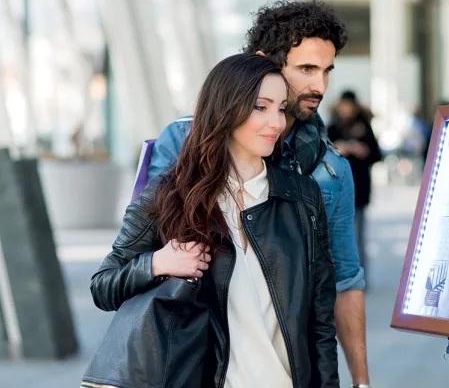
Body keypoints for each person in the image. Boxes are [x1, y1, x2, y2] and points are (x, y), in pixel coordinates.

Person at [149, 0, 370, 386]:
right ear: (265, 64)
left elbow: (344, 284)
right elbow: (142, 251)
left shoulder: (330, 171)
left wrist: (361, 382)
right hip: (198, 364)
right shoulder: (183, 141)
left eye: (326, 71)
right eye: (306, 69)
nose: (320, 87)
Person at [91, 53, 339, 387]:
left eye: (281, 108)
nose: (277, 123)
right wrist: (158, 262)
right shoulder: (171, 193)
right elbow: (103, 285)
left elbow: (321, 321)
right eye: (261, 107)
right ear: (226, 108)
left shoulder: (302, 197)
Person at [327, 90, 382, 284]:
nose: (347, 109)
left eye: (349, 106)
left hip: (359, 191)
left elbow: (377, 155)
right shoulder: (332, 128)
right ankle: (341, 277)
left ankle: (358, 278)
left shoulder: (364, 127)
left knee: (358, 236)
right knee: (336, 237)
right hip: (336, 191)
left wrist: (363, 150)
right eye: (344, 105)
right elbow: (321, 156)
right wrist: (336, 149)